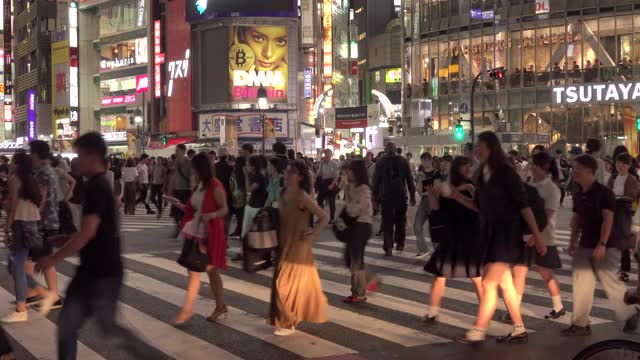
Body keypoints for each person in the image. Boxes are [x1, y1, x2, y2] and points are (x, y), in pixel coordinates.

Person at [36, 132, 150, 360]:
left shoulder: (97, 186)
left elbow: (88, 232)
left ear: (92, 156)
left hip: (103, 273)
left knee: (106, 328)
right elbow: (88, 230)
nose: (76, 160)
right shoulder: (93, 185)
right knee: (71, 325)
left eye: (79, 154)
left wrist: (54, 258)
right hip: (91, 271)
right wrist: (64, 240)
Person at [453, 131, 546, 344]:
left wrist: (538, 236)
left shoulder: (506, 173)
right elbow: (479, 207)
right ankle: (519, 328)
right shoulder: (482, 173)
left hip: (507, 236)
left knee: (488, 283)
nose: (476, 150)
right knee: (505, 284)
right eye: (476, 147)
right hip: (490, 235)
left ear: (491, 148)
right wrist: (457, 196)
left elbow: (524, 206)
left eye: (480, 146)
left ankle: (478, 330)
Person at [562, 154, 640, 336]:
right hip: (585, 244)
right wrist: (572, 242)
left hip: (605, 245)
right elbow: (576, 219)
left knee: (609, 282)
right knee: (582, 283)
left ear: (590, 171)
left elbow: (608, 219)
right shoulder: (579, 191)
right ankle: (581, 324)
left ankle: (630, 313)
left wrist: (602, 243)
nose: (574, 172)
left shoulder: (603, 193)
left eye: (577, 169)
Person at [268, 160, 329, 336]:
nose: (287, 175)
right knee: (290, 283)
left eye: (291, 172)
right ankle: (291, 318)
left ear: (300, 177)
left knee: (283, 283)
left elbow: (323, 216)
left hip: (298, 245)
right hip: (283, 242)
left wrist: (313, 233)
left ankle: (289, 322)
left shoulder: (303, 196)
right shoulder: (282, 192)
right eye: (286, 171)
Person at [423, 156, 483, 322]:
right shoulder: (446, 186)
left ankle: (485, 309)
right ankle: (433, 311)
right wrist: (431, 193)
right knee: (440, 275)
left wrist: (463, 191)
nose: (469, 169)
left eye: (469, 166)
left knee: (477, 276)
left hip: (470, 233)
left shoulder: (473, 186)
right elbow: (436, 208)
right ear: (458, 168)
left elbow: (479, 207)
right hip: (451, 234)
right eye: (466, 166)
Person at [171, 153, 229, 325]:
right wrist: (179, 205)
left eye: (194, 167)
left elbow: (224, 209)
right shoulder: (200, 185)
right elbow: (194, 208)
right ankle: (208, 307)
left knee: (209, 271)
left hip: (209, 234)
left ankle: (197, 309)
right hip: (195, 234)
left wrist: (211, 215)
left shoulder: (215, 186)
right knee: (198, 271)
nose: (192, 170)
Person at [1, 153, 52, 323]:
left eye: (13, 161)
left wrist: (8, 227)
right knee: (14, 266)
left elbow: (13, 204)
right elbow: (41, 200)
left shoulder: (15, 179)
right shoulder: (32, 180)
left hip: (20, 224)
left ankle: (21, 309)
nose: (10, 163)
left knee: (16, 266)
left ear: (17, 164)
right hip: (32, 224)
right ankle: (41, 292)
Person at [526, 151, 565, 319]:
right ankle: (511, 309)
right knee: (519, 272)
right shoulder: (529, 183)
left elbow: (547, 216)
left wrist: (535, 237)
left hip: (544, 236)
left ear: (543, 167)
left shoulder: (551, 189)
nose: (530, 167)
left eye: (533, 164)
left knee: (546, 273)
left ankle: (558, 306)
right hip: (526, 235)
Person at [29, 140, 63, 313]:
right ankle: (36, 292)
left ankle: (53, 294)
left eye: (31, 152)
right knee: (38, 257)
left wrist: (33, 215)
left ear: (36, 153)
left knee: (45, 258)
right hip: (48, 220)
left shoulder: (43, 171)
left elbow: (41, 198)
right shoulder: (46, 170)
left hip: (44, 221)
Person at [340, 159, 377, 303]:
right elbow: (348, 203)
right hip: (355, 226)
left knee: (355, 260)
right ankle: (368, 281)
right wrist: (346, 189)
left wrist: (348, 205)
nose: (348, 173)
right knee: (351, 260)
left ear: (357, 172)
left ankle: (358, 293)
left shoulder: (364, 189)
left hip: (362, 226)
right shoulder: (352, 186)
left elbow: (355, 209)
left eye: (350, 170)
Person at [372, 142, 416, 257]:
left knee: (387, 222)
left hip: (386, 196)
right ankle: (400, 243)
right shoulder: (403, 161)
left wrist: (375, 198)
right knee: (400, 220)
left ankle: (388, 247)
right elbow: (409, 179)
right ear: (395, 149)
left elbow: (376, 181)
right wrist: (412, 195)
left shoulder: (380, 162)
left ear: (386, 150)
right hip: (400, 195)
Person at [607, 152, 638, 283]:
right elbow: (607, 192)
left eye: (624, 163)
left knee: (624, 241)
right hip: (611, 210)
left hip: (624, 212)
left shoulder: (632, 179)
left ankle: (625, 270)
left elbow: (632, 196)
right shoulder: (613, 178)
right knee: (611, 240)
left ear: (629, 165)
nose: (620, 165)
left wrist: (619, 198)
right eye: (618, 163)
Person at [414, 152, 441, 258]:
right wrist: (420, 179)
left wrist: (424, 179)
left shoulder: (436, 173)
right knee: (417, 226)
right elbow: (419, 190)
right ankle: (423, 249)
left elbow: (435, 189)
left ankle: (438, 252)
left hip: (433, 202)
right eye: (422, 160)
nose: (424, 163)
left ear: (430, 160)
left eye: (426, 160)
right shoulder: (421, 173)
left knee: (434, 229)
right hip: (424, 202)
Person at [240, 155, 268, 239]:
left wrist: (245, 176)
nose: (246, 167)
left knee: (252, 231)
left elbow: (249, 189)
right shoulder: (255, 175)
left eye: (248, 164)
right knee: (246, 230)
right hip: (252, 205)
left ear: (253, 166)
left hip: (257, 207)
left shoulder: (260, 177)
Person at [229, 144, 253, 238]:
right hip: (240, 188)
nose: (240, 152)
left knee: (242, 210)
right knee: (240, 210)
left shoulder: (248, 161)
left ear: (246, 150)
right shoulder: (242, 160)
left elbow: (247, 174)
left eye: (241, 150)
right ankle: (239, 229)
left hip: (244, 188)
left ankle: (241, 230)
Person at [171, 144, 193, 229]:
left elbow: (192, 178)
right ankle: (180, 227)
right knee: (175, 212)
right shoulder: (176, 162)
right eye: (175, 151)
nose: (176, 153)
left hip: (186, 191)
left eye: (177, 151)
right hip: (177, 190)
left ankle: (184, 228)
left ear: (183, 152)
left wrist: (192, 191)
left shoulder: (189, 162)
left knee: (184, 212)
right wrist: (170, 189)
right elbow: (173, 176)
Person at [316, 149, 339, 223]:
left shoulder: (334, 163)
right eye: (325, 154)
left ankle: (331, 218)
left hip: (331, 182)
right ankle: (322, 216)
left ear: (331, 155)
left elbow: (336, 176)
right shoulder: (322, 163)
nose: (327, 155)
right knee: (319, 200)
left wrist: (332, 184)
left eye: (328, 154)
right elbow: (319, 173)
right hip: (324, 183)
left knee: (331, 201)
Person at [215, 148, 234, 235]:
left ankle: (219, 236)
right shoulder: (230, 168)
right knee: (227, 217)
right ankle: (225, 238)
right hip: (228, 194)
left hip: (216, 194)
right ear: (227, 157)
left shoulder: (214, 167)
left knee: (218, 217)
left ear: (218, 156)